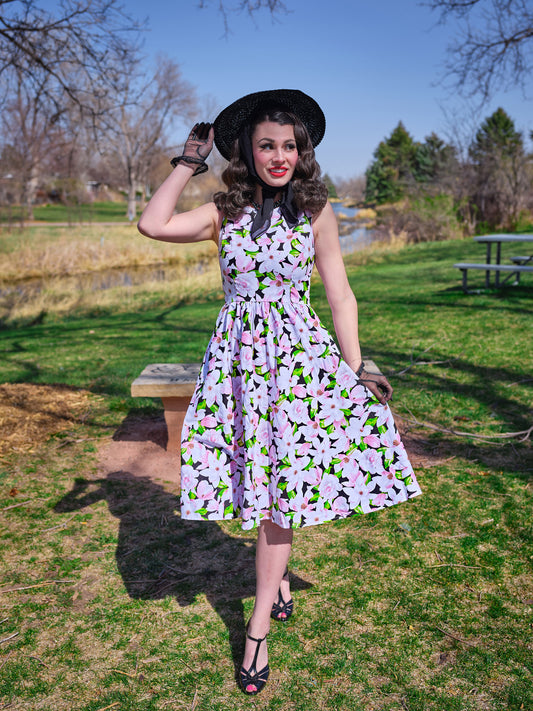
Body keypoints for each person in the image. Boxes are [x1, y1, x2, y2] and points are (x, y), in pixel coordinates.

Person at [138, 89, 422, 695]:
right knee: (254, 485)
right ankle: (280, 582)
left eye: (289, 146)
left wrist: (355, 368)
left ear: (303, 152)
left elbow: (340, 295)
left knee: (276, 499)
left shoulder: (316, 212)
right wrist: (188, 162)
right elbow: (152, 224)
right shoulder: (224, 211)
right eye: (267, 145)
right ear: (247, 149)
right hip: (239, 372)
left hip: (298, 366)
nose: (279, 156)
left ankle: (258, 628)